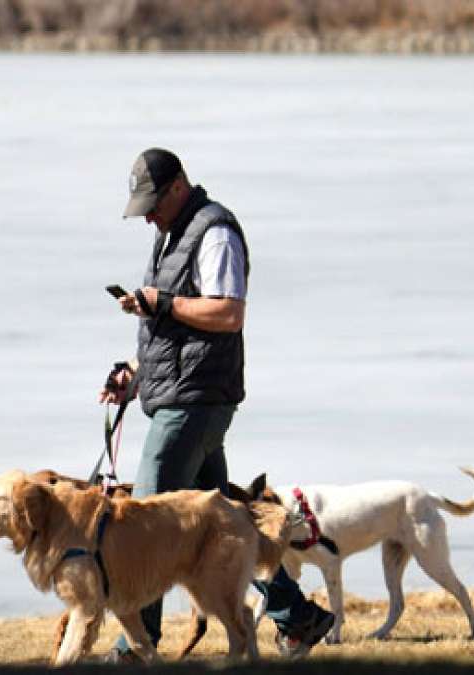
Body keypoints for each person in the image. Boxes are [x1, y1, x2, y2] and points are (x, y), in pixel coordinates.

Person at [98, 148, 334, 660]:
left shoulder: (215, 232)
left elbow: (229, 313)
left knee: (147, 520)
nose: (148, 218)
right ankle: (300, 618)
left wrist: (161, 302)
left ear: (178, 186)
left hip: (197, 400)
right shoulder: (170, 236)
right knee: (229, 526)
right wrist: (133, 377)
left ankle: (135, 647)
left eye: (152, 205)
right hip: (181, 395)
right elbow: (169, 328)